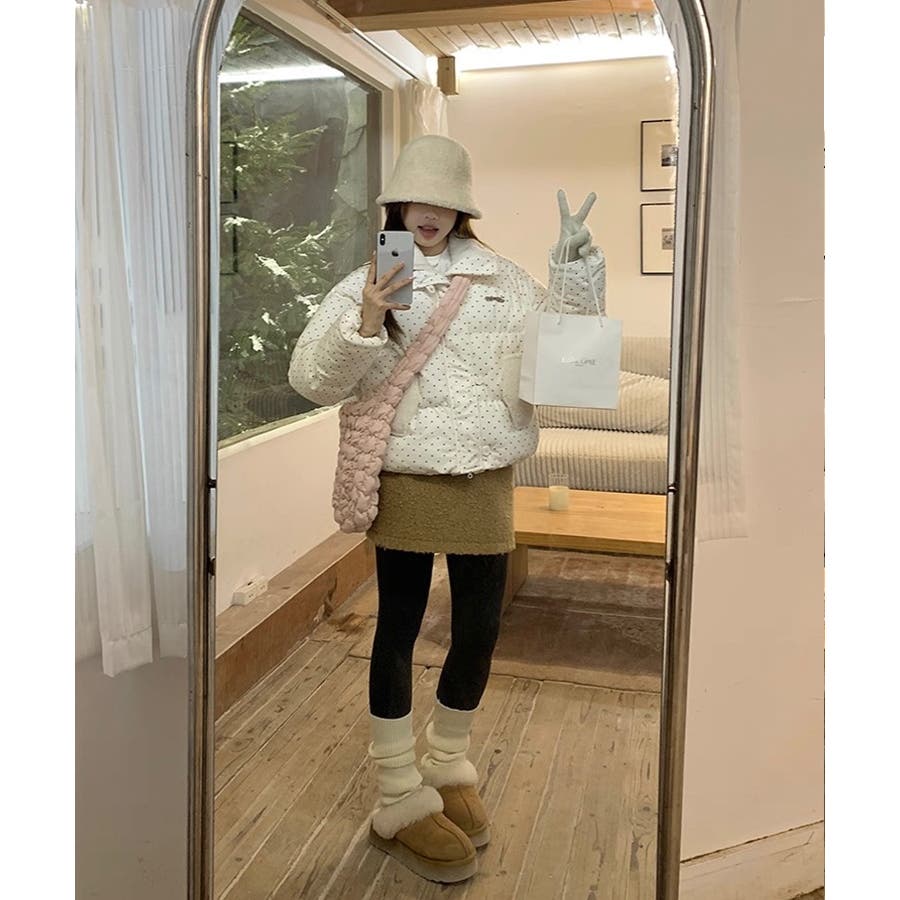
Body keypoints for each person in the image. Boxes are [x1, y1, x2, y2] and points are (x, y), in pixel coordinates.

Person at [288, 134, 605, 883]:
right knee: (397, 627)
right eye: (415, 201)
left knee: (482, 626)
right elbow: (312, 380)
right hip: (407, 472)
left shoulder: (505, 279)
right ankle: (398, 792)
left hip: (487, 470)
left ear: (462, 209)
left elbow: (566, 354)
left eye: (444, 202)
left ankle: (448, 760)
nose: (428, 214)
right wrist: (367, 320)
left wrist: (574, 270)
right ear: (397, 206)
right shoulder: (369, 279)